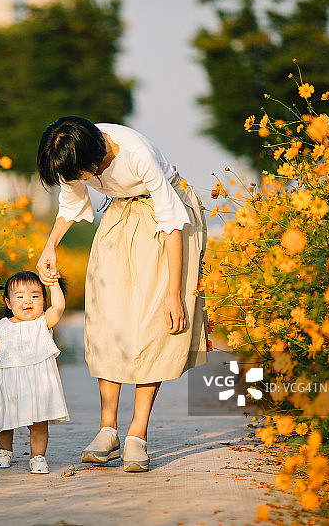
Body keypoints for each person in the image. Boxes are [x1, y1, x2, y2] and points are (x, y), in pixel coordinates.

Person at [35, 116, 208, 473]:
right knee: (106, 317)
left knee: (153, 324)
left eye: (75, 174)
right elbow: (71, 204)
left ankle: (137, 435)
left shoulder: (136, 153)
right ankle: (107, 431)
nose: (71, 181)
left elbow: (171, 222)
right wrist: (49, 246)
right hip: (120, 215)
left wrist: (173, 292)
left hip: (167, 221)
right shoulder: (75, 151)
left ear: (92, 162)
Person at [0, 271, 69, 475]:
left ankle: (37, 456)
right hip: (9, 382)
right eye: (20, 296)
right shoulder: (1, 327)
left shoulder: (42, 322)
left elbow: (58, 307)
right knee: (4, 422)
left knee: (39, 423)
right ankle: (4, 452)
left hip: (38, 382)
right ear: (9, 302)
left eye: (35, 295)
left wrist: (53, 283)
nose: (27, 301)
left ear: (43, 299)